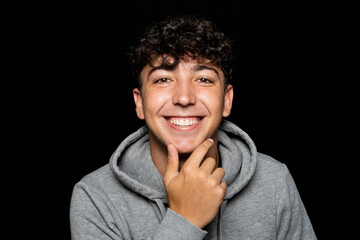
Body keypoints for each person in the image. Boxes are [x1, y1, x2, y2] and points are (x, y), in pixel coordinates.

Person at [70, 15, 317, 239]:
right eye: (164, 79)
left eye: (204, 79)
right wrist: (185, 221)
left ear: (226, 101)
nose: (185, 97)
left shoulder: (274, 181)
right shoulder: (95, 197)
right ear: (140, 103)